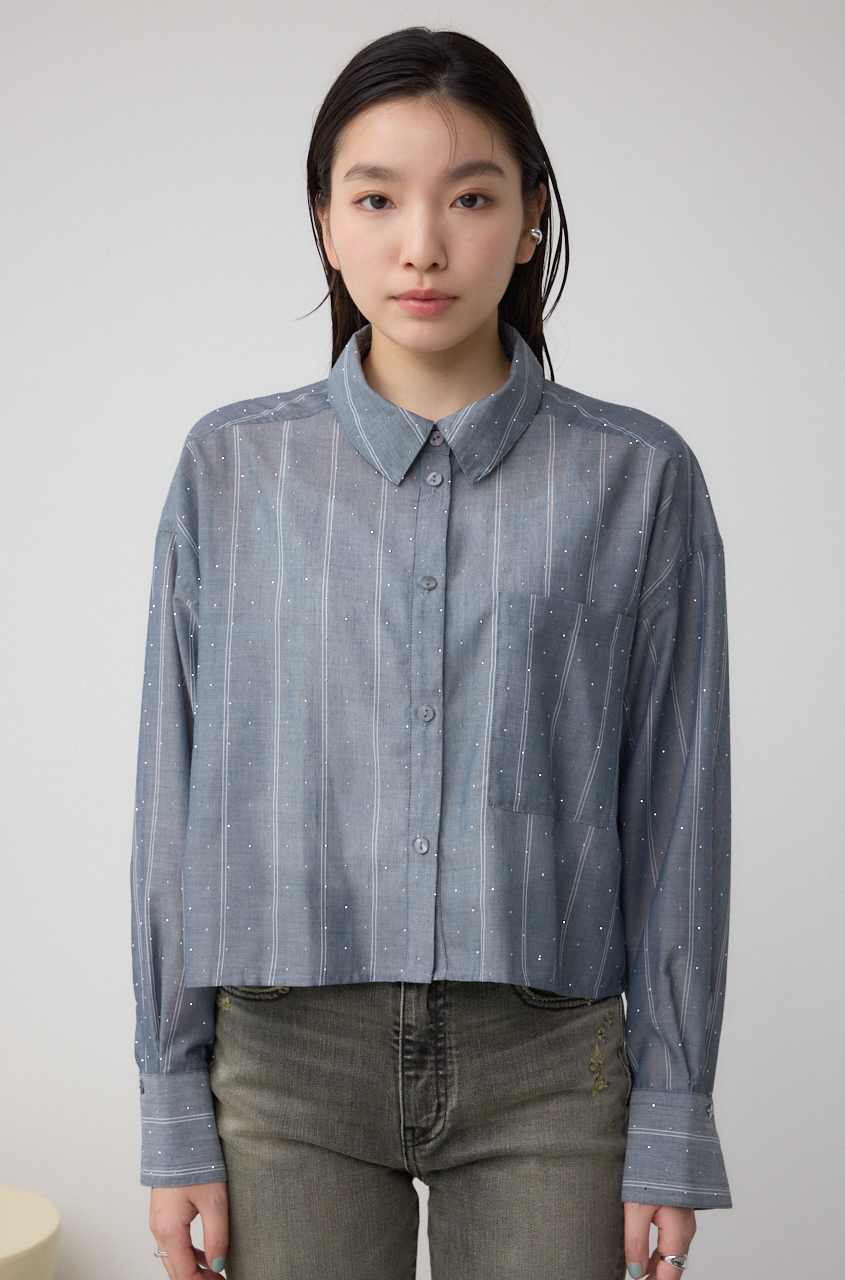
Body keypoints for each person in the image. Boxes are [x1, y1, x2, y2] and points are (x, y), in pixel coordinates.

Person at [133, 26, 731, 1280]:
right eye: (376, 199)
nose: (421, 244)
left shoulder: (638, 479)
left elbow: (677, 811)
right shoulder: (230, 470)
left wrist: (672, 1116)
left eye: (468, 196)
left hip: (550, 1067)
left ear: (529, 217)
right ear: (325, 221)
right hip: (286, 1065)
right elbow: (174, 803)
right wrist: (172, 1098)